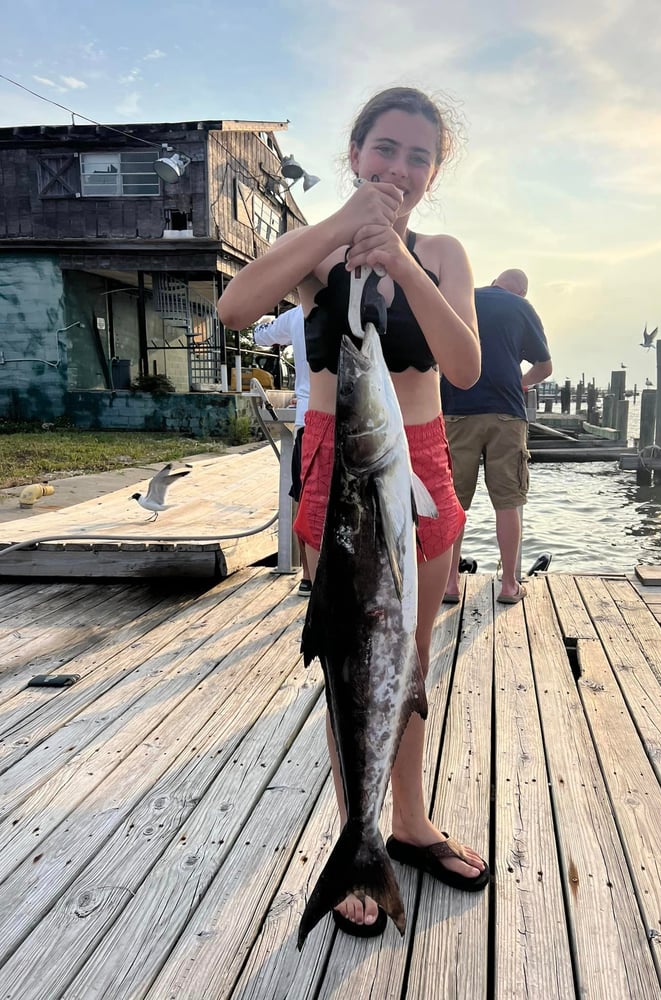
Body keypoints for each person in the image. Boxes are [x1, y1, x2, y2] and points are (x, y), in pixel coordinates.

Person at [218, 86, 488, 935]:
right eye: (385, 149)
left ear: (435, 171)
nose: (399, 168)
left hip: (422, 454)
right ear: (356, 152)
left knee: (408, 656)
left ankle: (405, 822)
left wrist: (401, 260)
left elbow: (467, 365)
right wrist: (340, 226)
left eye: (418, 156)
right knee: (347, 652)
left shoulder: (441, 251)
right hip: (339, 458)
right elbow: (233, 308)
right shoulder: (313, 251)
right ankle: (355, 837)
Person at [441, 268, 552, 604]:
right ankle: (508, 585)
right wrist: (522, 382)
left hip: (458, 408)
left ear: (494, 282)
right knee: (508, 501)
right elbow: (545, 366)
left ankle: (448, 584)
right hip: (506, 412)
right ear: (521, 292)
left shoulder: (463, 298)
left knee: (454, 501)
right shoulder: (521, 308)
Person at [253, 304, 312, 595]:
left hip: (309, 418)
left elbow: (259, 336)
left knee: (304, 497)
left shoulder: (297, 314)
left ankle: (309, 575)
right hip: (357, 419)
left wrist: (264, 319)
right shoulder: (361, 304)